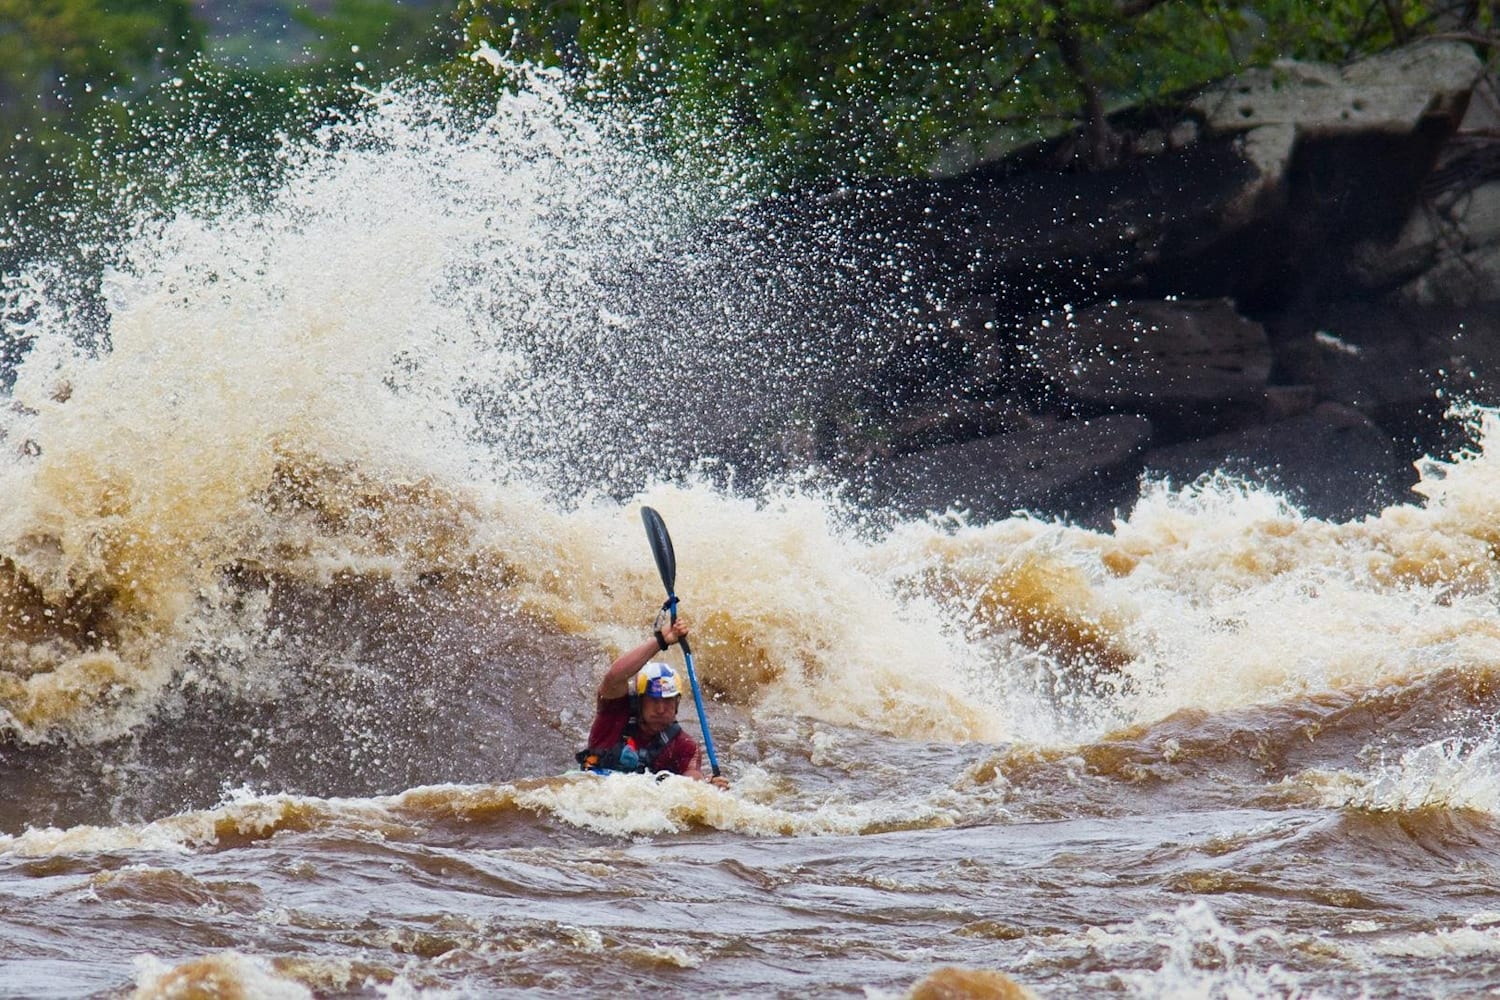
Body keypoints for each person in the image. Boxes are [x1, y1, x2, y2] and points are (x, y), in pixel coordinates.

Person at [576, 615, 729, 789]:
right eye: (654, 700)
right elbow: (614, 677)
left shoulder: (683, 745)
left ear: (677, 703)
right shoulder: (614, 716)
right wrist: (660, 640)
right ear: (640, 701)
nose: (661, 709)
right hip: (594, 790)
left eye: (668, 701)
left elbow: (692, 778)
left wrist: (706, 787)